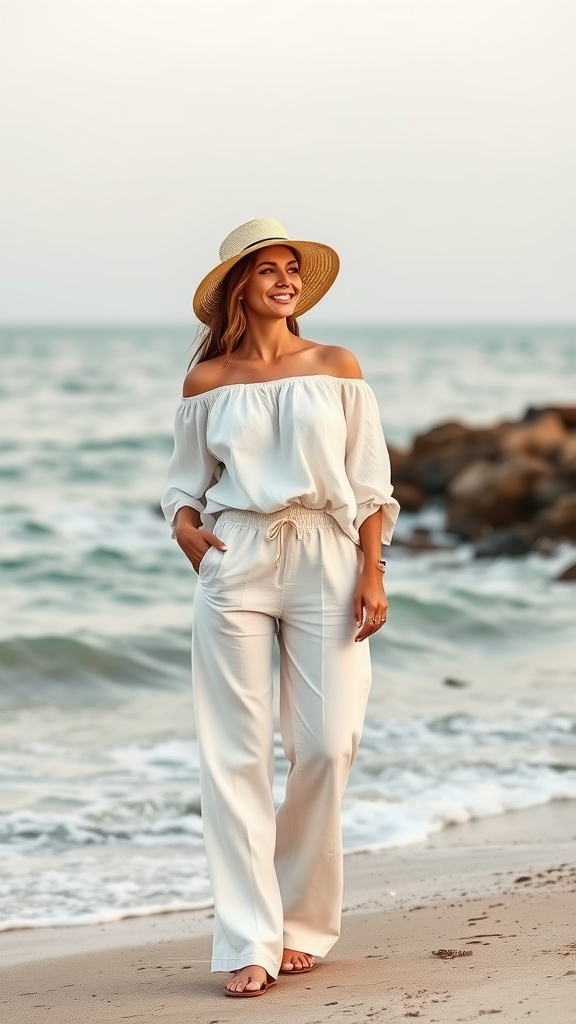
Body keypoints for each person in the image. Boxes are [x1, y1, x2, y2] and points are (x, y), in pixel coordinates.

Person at [161, 218, 399, 998]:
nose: (286, 280)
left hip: (328, 557)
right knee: (232, 756)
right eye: (269, 269)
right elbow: (183, 485)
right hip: (237, 559)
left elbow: (369, 483)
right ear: (240, 286)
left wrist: (374, 571)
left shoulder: (336, 366)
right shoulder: (208, 383)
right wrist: (187, 532)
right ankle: (249, 939)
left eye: (293, 269)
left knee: (327, 745)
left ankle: (301, 920)